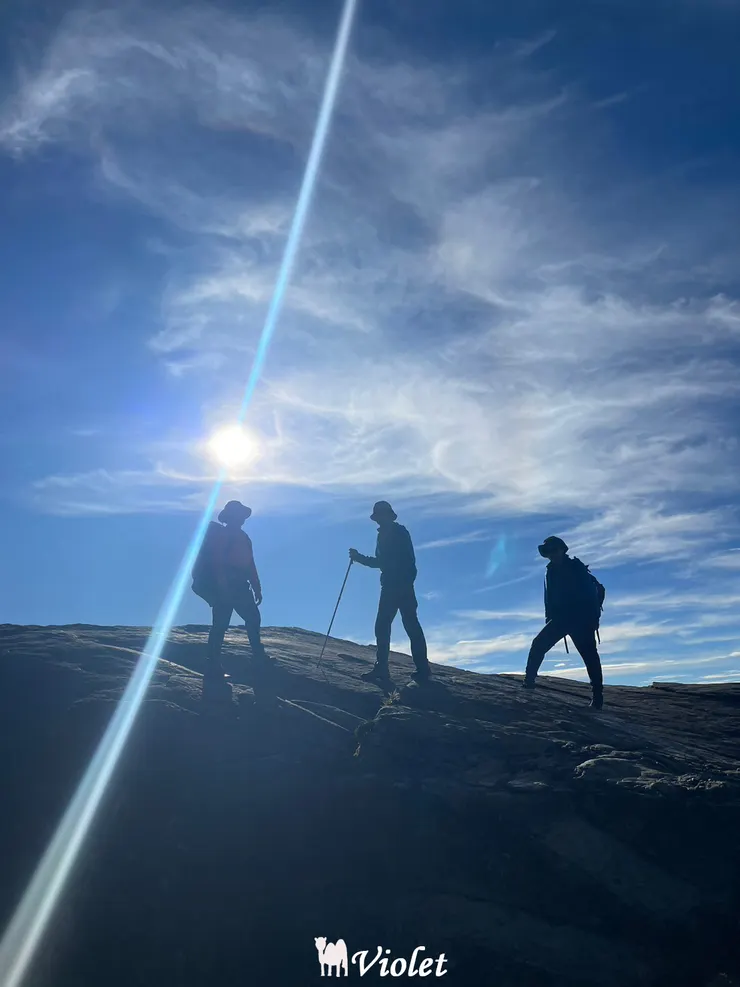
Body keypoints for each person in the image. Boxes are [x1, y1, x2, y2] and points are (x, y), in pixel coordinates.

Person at [349, 501, 431, 685]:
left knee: (387, 625)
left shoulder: (396, 533)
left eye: (379, 516)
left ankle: (386, 669)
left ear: (386, 516)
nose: (377, 520)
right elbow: (390, 562)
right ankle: (419, 669)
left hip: (396, 586)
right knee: (406, 625)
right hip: (399, 585)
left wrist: (359, 558)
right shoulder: (391, 533)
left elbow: (384, 562)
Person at [523, 535, 604, 709]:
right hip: (561, 618)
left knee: (589, 657)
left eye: (554, 549)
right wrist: (549, 616)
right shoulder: (550, 570)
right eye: (548, 551)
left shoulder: (576, 567)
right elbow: (550, 596)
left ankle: (598, 697)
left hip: (581, 619)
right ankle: (528, 682)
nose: (551, 554)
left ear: (561, 549)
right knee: (538, 644)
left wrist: (592, 619)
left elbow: (590, 595)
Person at [191, 500, 266, 679]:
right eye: (240, 515)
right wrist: (222, 584)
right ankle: (214, 662)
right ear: (233, 516)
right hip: (227, 585)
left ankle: (256, 655)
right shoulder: (223, 535)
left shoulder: (243, 537)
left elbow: (250, 564)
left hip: (239, 585)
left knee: (251, 618)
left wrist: (257, 586)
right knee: (222, 623)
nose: (243, 519)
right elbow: (218, 562)